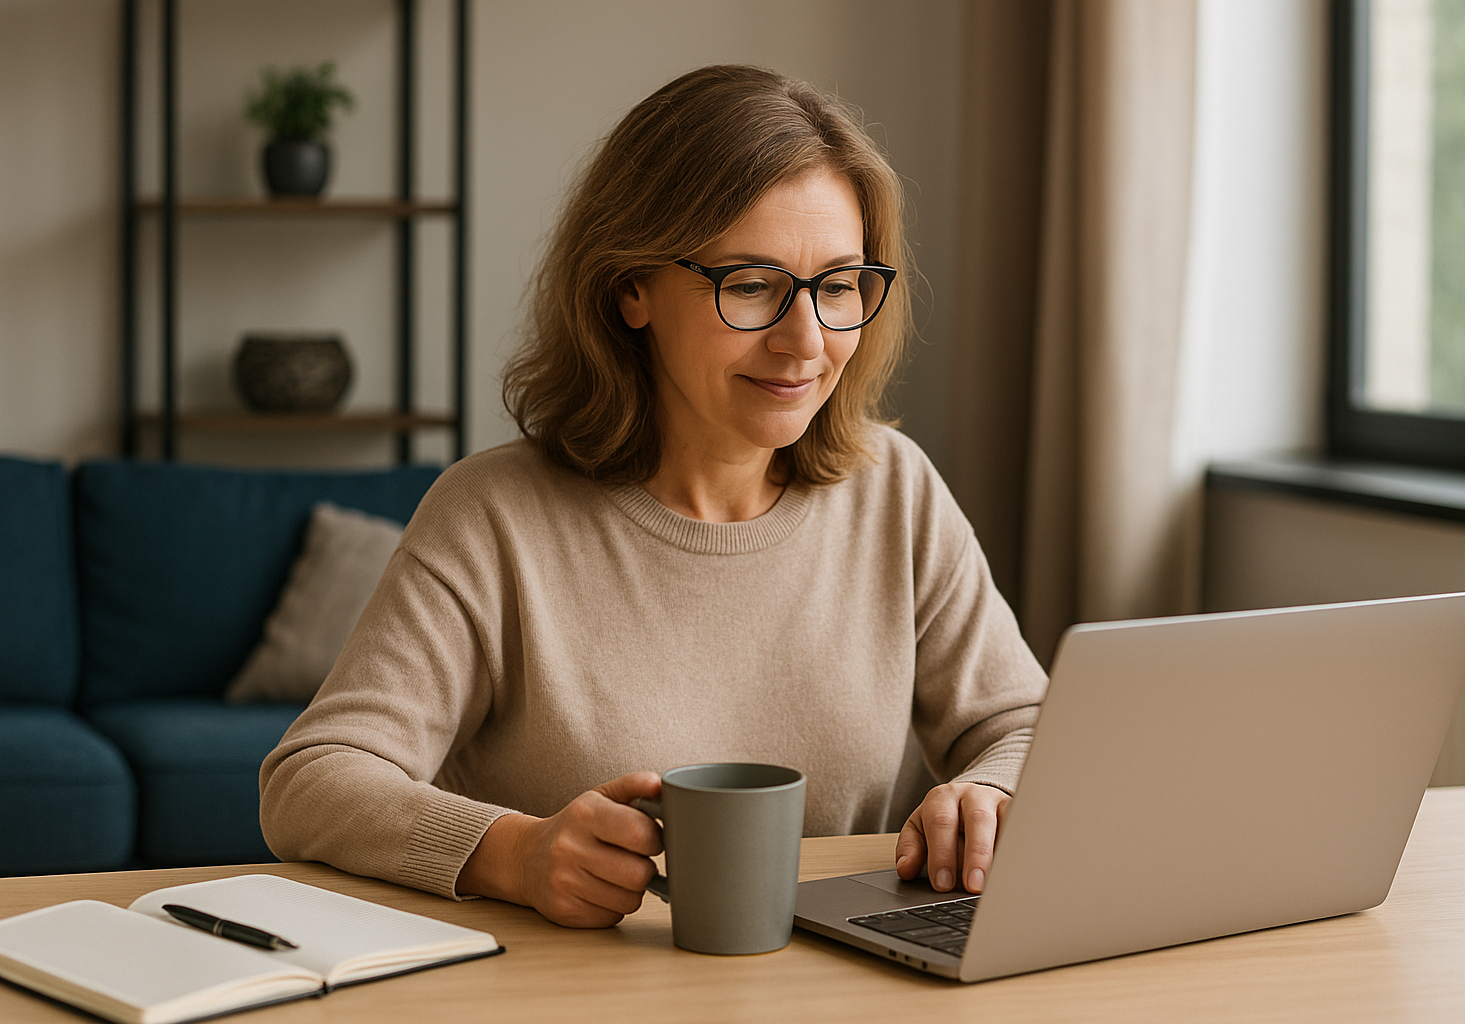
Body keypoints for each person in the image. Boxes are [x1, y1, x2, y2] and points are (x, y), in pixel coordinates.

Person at [259, 64, 1049, 929]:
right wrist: (512, 854)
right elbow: (312, 778)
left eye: (837, 286)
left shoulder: (894, 490)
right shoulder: (493, 515)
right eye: (750, 285)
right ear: (630, 287)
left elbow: (1028, 725)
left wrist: (985, 790)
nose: (806, 341)